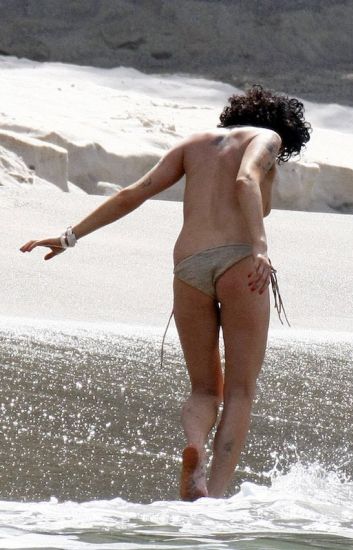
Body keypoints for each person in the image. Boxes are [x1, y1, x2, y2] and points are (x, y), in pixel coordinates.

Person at [20, 85, 311, 501]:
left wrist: (69, 237)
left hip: (188, 267)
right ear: (283, 128)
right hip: (239, 262)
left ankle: (195, 446)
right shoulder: (266, 138)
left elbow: (133, 193)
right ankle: (214, 496)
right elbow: (246, 179)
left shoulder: (192, 144)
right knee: (240, 391)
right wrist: (260, 248)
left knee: (204, 389)